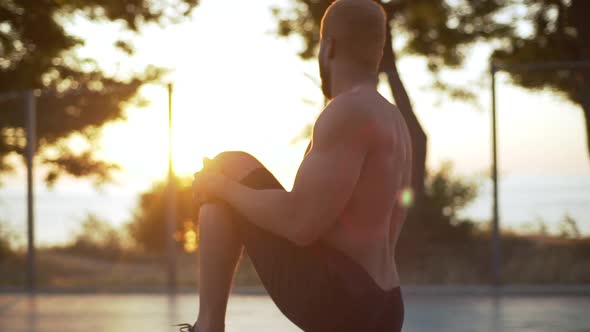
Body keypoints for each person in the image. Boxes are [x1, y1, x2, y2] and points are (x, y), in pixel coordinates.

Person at [185, 0, 412, 331]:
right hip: (387, 307)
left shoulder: (348, 111)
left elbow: (300, 223)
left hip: (340, 299)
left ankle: (208, 326)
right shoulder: (394, 120)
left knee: (227, 165)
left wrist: (220, 187)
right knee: (227, 188)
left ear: (329, 46)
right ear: (377, 52)